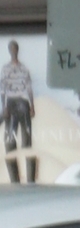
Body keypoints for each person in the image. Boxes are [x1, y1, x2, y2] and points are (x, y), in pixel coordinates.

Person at [0, 40, 35, 184]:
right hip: (11, 103)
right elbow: (3, 89)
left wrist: (32, 106)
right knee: (10, 142)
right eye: (11, 49)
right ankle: (14, 181)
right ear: (9, 51)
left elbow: (29, 88)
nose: (13, 51)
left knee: (27, 142)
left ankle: (31, 180)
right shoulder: (5, 69)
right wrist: (4, 107)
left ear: (18, 50)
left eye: (15, 48)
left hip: (23, 103)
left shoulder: (24, 69)